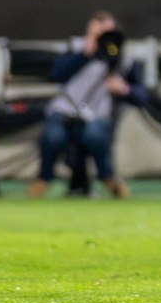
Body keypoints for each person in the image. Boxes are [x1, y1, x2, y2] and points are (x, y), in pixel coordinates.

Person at [27, 11, 148, 199]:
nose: (102, 39)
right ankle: (43, 178)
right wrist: (84, 54)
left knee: (95, 135)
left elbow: (143, 95)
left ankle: (108, 178)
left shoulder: (123, 59)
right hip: (66, 110)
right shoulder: (76, 49)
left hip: (97, 114)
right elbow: (55, 74)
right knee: (52, 136)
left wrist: (124, 89)